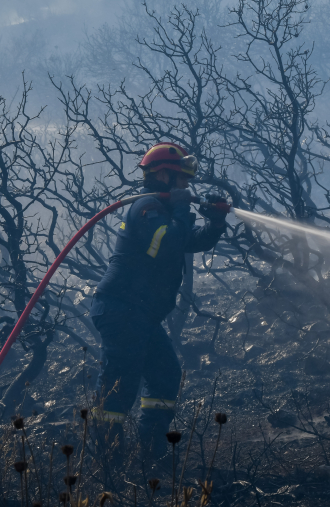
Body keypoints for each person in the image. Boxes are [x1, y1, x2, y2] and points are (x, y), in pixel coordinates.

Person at [90, 142, 227, 460]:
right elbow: (165, 246)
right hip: (121, 310)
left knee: (165, 375)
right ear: (164, 175)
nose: (187, 186)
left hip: (140, 315)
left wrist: (215, 223)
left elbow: (188, 241)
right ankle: (108, 461)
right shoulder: (147, 208)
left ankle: (150, 452)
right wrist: (180, 209)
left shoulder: (163, 210)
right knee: (120, 386)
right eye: (182, 179)